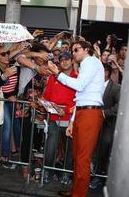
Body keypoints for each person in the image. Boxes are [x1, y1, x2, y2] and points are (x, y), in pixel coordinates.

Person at [48, 40, 105, 197]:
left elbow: (79, 86)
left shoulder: (91, 61)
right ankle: (76, 191)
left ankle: (78, 194)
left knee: (82, 158)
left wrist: (57, 74)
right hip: (82, 112)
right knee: (77, 157)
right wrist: (72, 121)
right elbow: (80, 97)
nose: (73, 53)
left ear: (86, 49)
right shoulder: (87, 64)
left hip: (90, 114)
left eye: (76, 49)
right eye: (72, 50)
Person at [43, 52, 77, 183]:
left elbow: (79, 101)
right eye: (62, 60)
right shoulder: (53, 77)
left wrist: (66, 110)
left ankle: (66, 174)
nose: (64, 62)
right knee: (51, 147)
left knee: (69, 150)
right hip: (54, 119)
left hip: (71, 120)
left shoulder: (78, 77)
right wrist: (46, 104)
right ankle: (47, 172)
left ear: (72, 61)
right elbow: (46, 97)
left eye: (67, 59)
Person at [90, 63, 121, 189]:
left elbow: (119, 106)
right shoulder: (92, 86)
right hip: (92, 124)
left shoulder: (115, 88)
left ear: (106, 72)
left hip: (107, 125)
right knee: (92, 151)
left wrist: (104, 113)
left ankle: (99, 177)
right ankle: (91, 175)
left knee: (103, 151)